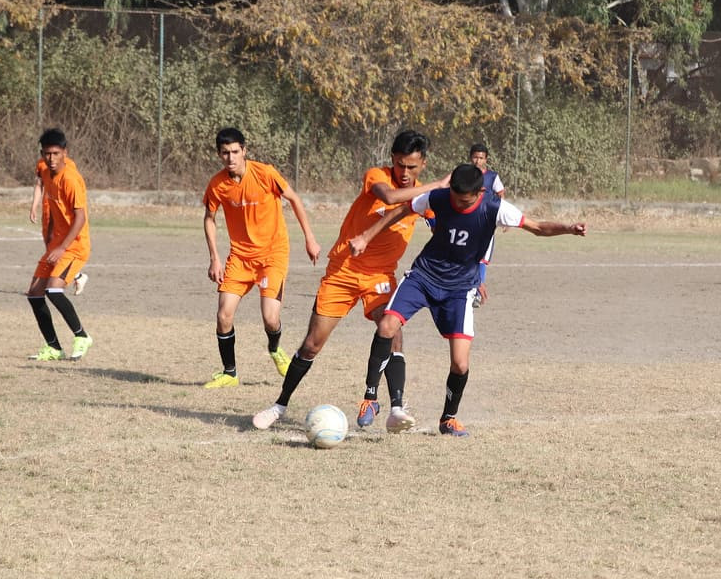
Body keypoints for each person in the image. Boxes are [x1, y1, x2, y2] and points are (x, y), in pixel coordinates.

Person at [348, 163, 586, 437]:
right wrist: (366, 236)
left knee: (460, 364)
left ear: (480, 192)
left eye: (465, 200)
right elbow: (403, 209)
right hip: (423, 276)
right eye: (455, 198)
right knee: (387, 326)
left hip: (459, 289)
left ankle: (448, 419)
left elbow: (537, 227)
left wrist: (568, 228)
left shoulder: (495, 208)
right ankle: (370, 399)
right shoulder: (439, 197)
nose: (458, 204)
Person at [251, 130, 448, 432]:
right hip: (343, 272)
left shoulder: (426, 199)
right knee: (312, 345)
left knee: (392, 329)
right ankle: (279, 405)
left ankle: (396, 407)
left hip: (381, 277)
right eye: (399, 164)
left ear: (423, 164)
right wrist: (438, 185)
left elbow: (442, 231)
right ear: (392, 160)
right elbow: (391, 197)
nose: (404, 172)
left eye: (411, 167)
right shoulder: (377, 176)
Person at [202, 127, 320, 388]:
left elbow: (294, 199)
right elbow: (209, 219)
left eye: (235, 151)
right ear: (219, 155)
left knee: (270, 318)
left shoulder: (265, 173)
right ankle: (229, 373)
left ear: (244, 150)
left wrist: (309, 238)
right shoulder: (217, 184)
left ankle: (276, 350)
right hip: (240, 259)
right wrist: (214, 257)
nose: (230, 157)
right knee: (224, 315)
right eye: (225, 153)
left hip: (272, 256)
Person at [26, 128, 96, 361]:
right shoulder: (45, 172)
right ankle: (54, 347)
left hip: (75, 245)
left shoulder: (72, 179)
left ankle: (81, 336)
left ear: (65, 152)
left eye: (56, 153)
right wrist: (50, 240)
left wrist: (61, 247)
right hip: (58, 243)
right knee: (35, 293)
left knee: (53, 289)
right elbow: (55, 211)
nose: (51, 158)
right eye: (47, 153)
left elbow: (80, 218)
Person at [31, 158, 88, 295]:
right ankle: (75, 276)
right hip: (48, 208)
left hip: (61, 211)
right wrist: (34, 206)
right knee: (50, 245)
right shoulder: (41, 164)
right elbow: (39, 184)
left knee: (61, 246)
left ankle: (66, 278)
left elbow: (72, 189)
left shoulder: (68, 165)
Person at [467, 142, 505, 307]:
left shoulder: (492, 177)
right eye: (475, 157)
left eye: (481, 158)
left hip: (485, 225)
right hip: (467, 222)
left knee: (482, 259)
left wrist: (502, 216)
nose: (477, 161)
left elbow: (501, 194)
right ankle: (466, 287)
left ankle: (476, 293)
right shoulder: (465, 175)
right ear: (470, 158)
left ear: (486, 159)